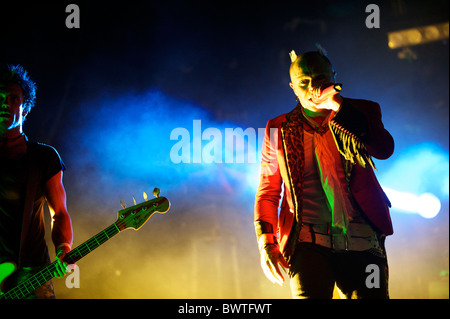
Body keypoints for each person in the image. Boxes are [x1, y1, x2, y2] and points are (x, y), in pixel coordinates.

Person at [254, 47, 394, 299]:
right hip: (308, 242)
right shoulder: (278, 128)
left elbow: (383, 149)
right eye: (304, 83)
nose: (313, 88)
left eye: (320, 79)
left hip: (362, 239)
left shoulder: (363, 110)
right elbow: (269, 190)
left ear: (334, 76)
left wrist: (338, 106)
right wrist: (266, 243)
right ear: (293, 88)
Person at [0, 64, 73, 298]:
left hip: (31, 269)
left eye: (13, 99)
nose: (5, 104)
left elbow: (59, 212)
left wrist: (63, 249)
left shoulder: (44, 157)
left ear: (25, 109)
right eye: (1, 98)